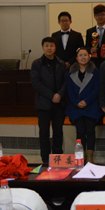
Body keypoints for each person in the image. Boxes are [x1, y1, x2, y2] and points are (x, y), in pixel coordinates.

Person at [30, 37, 67, 165]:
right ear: (43, 48)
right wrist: (52, 95)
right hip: (43, 103)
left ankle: (57, 156)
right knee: (44, 133)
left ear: (55, 48)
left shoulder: (61, 63)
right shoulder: (37, 63)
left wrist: (59, 94)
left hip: (59, 103)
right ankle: (45, 159)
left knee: (58, 132)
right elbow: (36, 83)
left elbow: (65, 82)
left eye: (51, 46)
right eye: (47, 46)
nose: (49, 48)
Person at [65, 47, 101, 164]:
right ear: (76, 58)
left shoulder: (95, 71)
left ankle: (90, 157)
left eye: (85, 55)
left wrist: (86, 101)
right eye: (80, 55)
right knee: (80, 131)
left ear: (89, 57)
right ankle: (81, 155)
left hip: (91, 106)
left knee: (90, 131)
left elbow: (97, 88)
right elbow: (69, 89)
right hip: (76, 106)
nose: (83, 57)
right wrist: (77, 102)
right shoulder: (71, 71)